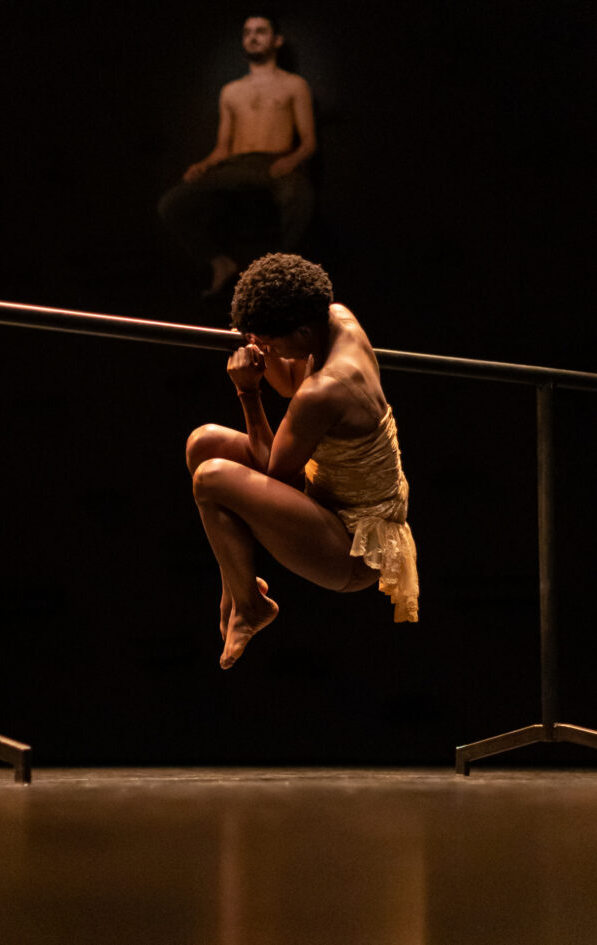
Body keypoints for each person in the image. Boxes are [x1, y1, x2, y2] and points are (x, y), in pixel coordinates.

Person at [186, 253, 419, 670]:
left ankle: (249, 606)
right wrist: (263, 341)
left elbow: (273, 471)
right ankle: (239, 590)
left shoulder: (327, 390)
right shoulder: (336, 319)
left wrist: (247, 391)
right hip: (324, 498)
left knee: (211, 478)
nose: (270, 351)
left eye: (273, 344)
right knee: (203, 443)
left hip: (354, 551)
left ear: (302, 331)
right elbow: (291, 381)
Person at [158, 14, 316, 296]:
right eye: (247, 32)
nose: (252, 37)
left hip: (275, 164)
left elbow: (308, 143)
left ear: (277, 40)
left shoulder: (294, 85)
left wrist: (290, 161)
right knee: (172, 203)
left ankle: (281, 277)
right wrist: (203, 165)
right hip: (236, 165)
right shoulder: (231, 91)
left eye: (260, 31)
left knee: (299, 197)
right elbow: (223, 147)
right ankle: (220, 263)